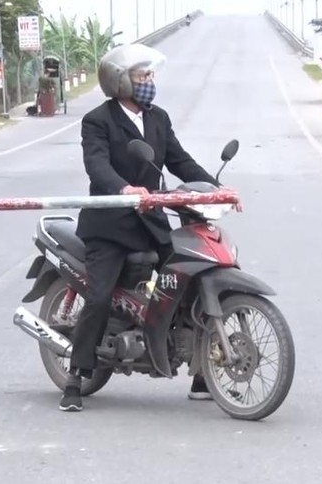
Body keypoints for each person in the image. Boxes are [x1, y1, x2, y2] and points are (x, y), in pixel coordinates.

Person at [63, 43, 225, 412]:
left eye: (151, 75)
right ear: (120, 81)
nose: (150, 82)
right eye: (142, 76)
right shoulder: (98, 120)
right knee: (100, 295)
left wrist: (216, 190)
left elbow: (180, 160)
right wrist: (124, 189)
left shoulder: (158, 118)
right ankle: (76, 374)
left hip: (151, 221)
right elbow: (97, 166)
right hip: (110, 224)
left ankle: (201, 369)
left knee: (192, 279)